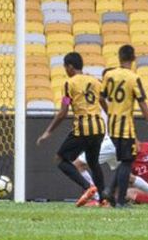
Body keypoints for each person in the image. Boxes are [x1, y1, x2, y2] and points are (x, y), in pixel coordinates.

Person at [36, 52, 106, 207]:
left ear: (70, 67)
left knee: (61, 159)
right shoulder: (95, 81)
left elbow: (63, 111)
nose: (65, 70)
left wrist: (48, 131)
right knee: (93, 162)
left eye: (65, 67)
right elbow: (102, 101)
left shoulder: (69, 84)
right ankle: (104, 199)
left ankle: (88, 187)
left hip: (83, 127)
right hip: (100, 127)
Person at [101, 45, 148, 208]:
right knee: (127, 162)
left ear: (119, 57)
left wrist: (109, 111)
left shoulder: (109, 75)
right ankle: (120, 200)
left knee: (123, 161)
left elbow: (101, 96)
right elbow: (142, 102)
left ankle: (109, 191)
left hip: (112, 126)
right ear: (133, 58)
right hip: (125, 127)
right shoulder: (133, 78)